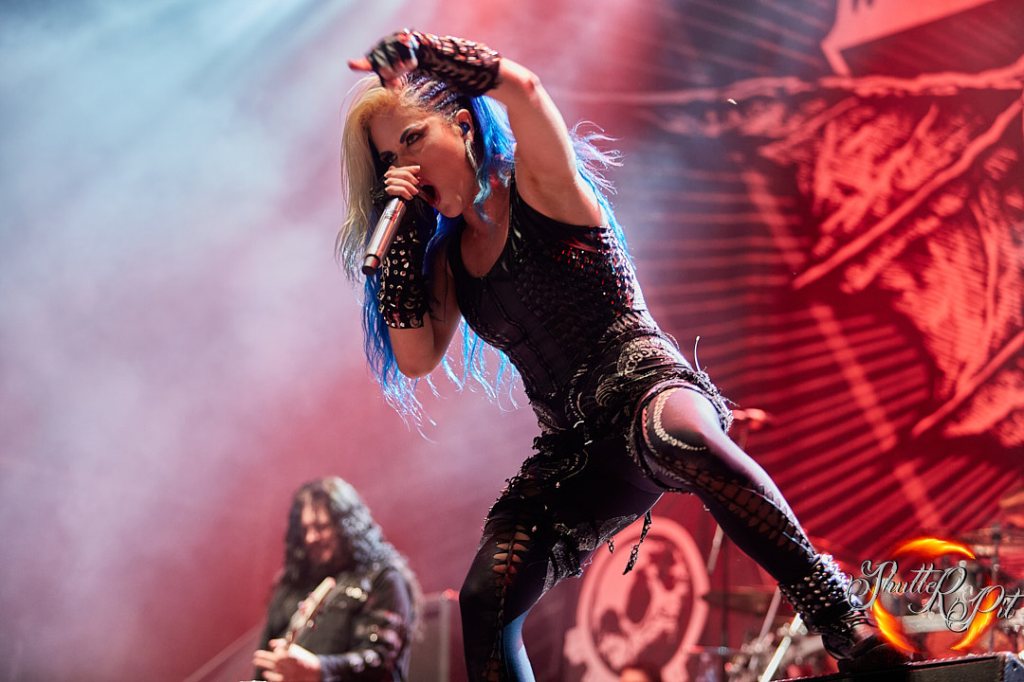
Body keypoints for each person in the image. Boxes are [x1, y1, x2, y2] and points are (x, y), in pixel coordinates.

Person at [338, 30, 905, 681]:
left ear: (462, 125)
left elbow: (524, 90)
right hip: (573, 447)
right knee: (485, 600)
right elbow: (415, 358)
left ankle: (844, 620)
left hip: (646, 386)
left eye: (413, 140)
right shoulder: (447, 260)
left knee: (679, 441)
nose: (404, 169)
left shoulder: (538, 181)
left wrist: (428, 54)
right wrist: (405, 241)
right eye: (390, 160)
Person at [252, 477, 420, 682]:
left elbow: (380, 660)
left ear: (347, 526)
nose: (311, 538)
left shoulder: (382, 580)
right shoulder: (292, 585)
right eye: (305, 530)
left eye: (321, 527)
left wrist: (320, 669)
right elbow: (264, 663)